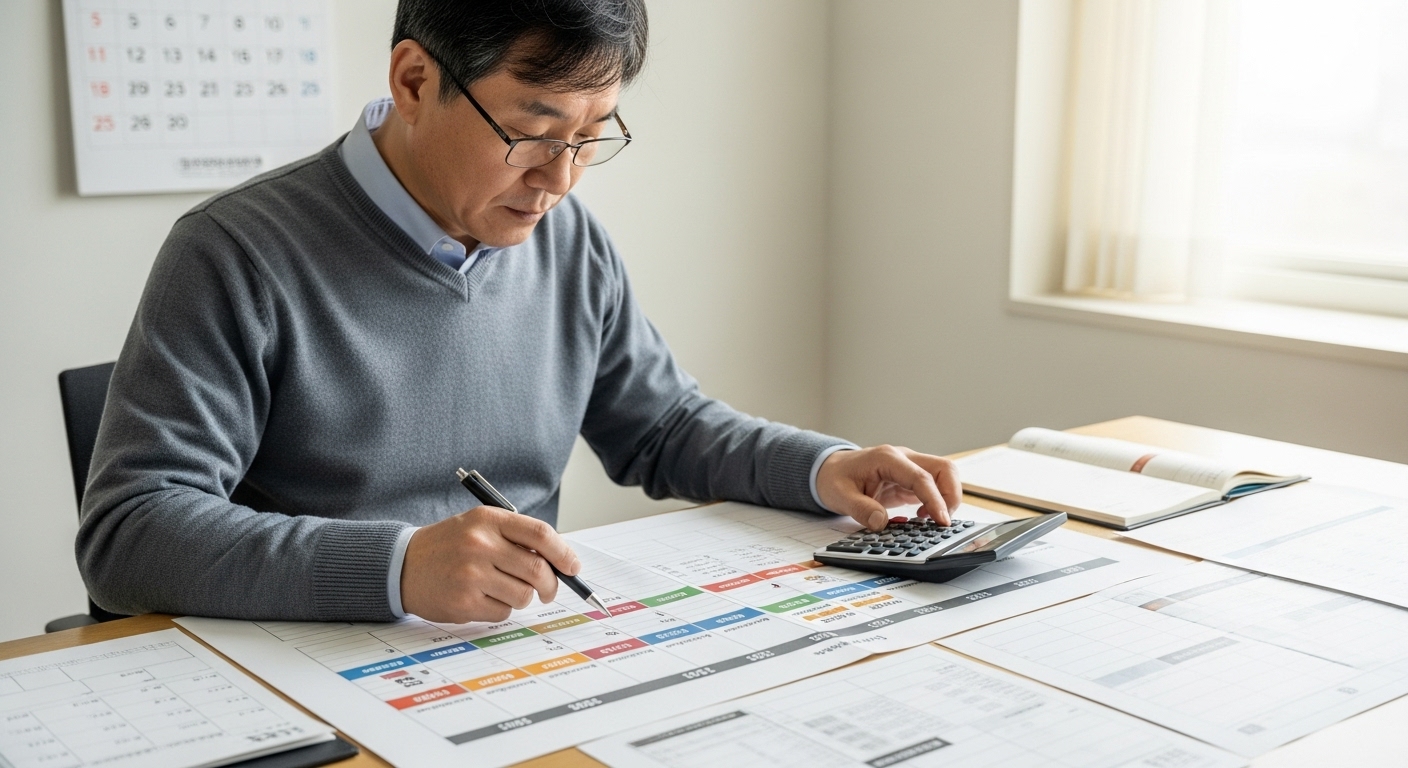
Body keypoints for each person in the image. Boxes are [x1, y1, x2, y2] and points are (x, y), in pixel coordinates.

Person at [77, 0, 960, 626]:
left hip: (504, 654)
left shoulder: (566, 240)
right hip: (306, 670)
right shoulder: (234, 251)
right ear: (415, 79)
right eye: (532, 132)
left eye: (592, 135)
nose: (560, 178)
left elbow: (663, 429)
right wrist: (396, 568)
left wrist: (826, 466)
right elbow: (130, 533)